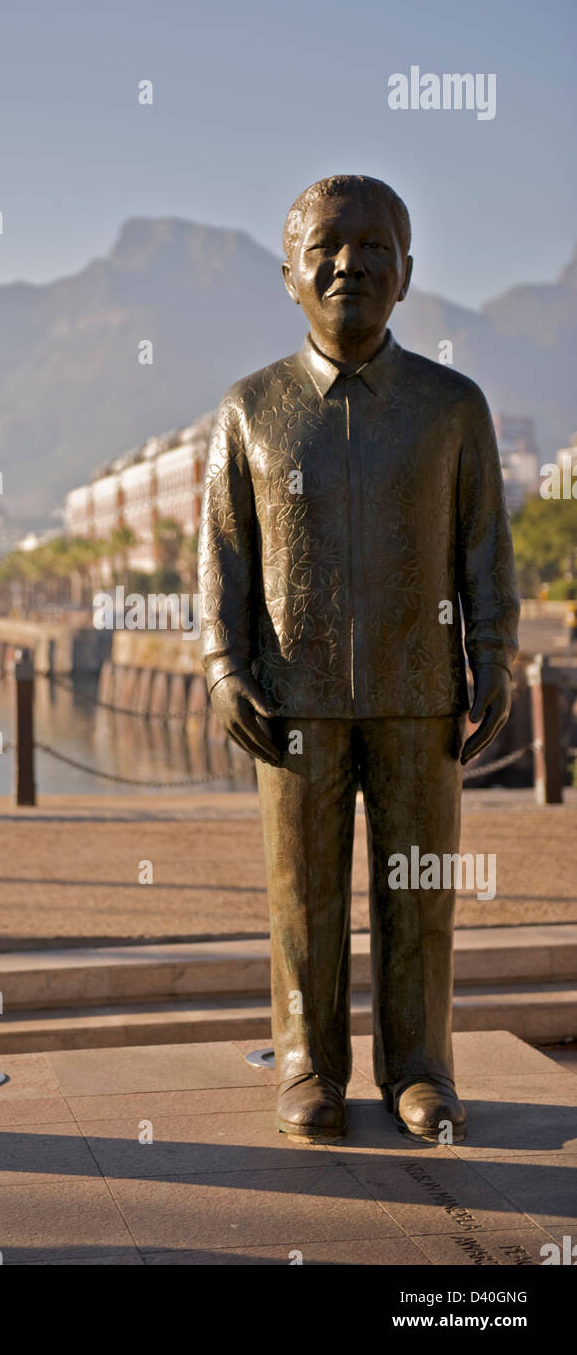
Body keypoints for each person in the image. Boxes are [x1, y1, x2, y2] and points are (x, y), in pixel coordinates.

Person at [198, 175, 519, 1142]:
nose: (351, 264)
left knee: (418, 889)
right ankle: (308, 1065)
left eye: (375, 246)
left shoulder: (452, 407)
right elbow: (222, 554)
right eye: (327, 248)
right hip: (294, 703)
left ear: (408, 274)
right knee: (301, 895)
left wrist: (495, 654)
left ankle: (421, 1068)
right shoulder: (249, 408)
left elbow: (484, 548)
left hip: (421, 692)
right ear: (290, 276)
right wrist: (222, 663)